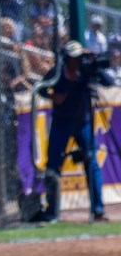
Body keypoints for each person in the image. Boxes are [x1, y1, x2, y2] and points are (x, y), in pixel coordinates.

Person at [36, 40, 115, 223]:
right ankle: (51, 210)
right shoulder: (58, 72)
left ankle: (97, 210)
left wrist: (93, 62)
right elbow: (41, 88)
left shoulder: (86, 71)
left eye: (78, 58)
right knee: (54, 164)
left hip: (83, 122)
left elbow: (108, 82)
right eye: (72, 58)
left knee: (91, 162)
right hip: (61, 122)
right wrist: (53, 96)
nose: (76, 62)